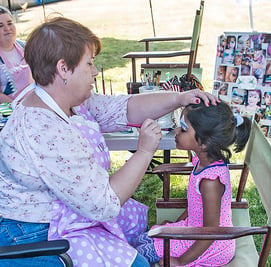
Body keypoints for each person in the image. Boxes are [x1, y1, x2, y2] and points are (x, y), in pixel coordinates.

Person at [0, 17, 218, 267]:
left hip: (69, 213)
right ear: (63, 69)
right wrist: (145, 151)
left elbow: (123, 108)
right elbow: (104, 203)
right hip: (34, 232)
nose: (94, 71)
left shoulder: (62, 98)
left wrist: (179, 98)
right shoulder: (42, 128)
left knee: (137, 239)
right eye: (89, 63)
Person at [134, 101, 251, 266]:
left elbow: (212, 231)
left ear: (204, 142)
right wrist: (176, 224)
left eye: (183, 128)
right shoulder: (203, 160)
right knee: (141, 239)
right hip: (196, 230)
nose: (176, 131)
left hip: (212, 244)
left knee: (140, 252)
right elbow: (196, 206)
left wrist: (181, 261)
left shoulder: (211, 182)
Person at [0, 6, 33, 104]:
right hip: (12, 108)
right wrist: (18, 106)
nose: (7, 28)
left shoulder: (27, 47)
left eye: (10, 23)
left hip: (36, 101)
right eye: (0, 26)